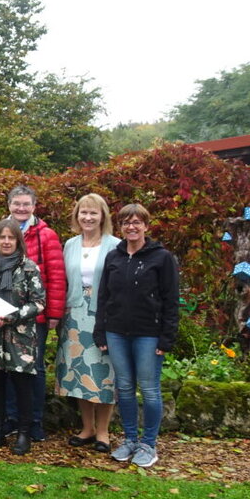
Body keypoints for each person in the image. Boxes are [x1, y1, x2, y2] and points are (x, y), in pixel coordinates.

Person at [94, 204, 179, 468]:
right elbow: (104, 296)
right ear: (120, 227)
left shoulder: (162, 258)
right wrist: (101, 329)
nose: (131, 227)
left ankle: (148, 444)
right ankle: (130, 439)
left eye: (137, 222)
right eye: (126, 222)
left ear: (146, 225)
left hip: (148, 334)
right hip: (116, 332)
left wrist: (166, 338)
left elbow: (171, 300)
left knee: (150, 390)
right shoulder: (114, 257)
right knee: (124, 389)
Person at [0, 218, 46, 456]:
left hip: (20, 336)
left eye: (10, 238)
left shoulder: (29, 268)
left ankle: (24, 433)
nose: (6, 242)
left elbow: (38, 302)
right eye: (1, 237)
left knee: (22, 384)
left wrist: (12, 316)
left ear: (18, 241)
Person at [0, 185, 65, 442]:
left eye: (26, 204)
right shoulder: (0, 231)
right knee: (6, 368)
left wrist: (54, 313)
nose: (21, 208)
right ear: (9, 205)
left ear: (34, 206)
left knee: (33, 369)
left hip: (34, 316)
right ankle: (11, 419)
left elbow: (57, 276)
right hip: (3, 315)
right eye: (17, 204)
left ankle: (34, 421)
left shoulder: (46, 235)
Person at [56, 194, 119, 453]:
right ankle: (87, 428)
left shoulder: (115, 244)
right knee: (79, 371)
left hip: (103, 314)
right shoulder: (70, 244)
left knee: (103, 373)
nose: (88, 217)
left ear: (103, 216)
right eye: (84, 212)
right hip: (74, 314)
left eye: (94, 213)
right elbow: (64, 280)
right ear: (77, 216)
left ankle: (103, 431)